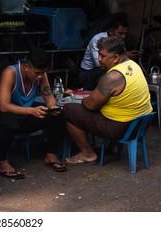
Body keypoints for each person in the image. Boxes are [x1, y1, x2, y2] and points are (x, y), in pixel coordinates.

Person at [63, 36, 152, 165]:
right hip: (139, 124)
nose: (99, 59)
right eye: (99, 54)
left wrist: (83, 99)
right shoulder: (133, 65)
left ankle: (87, 153)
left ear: (116, 58)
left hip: (121, 127)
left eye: (102, 56)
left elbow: (90, 105)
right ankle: (113, 147)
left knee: (69, 110)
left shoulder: (112, 77)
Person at [0, 47, 67, 179]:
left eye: (42, 73)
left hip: (22, 117)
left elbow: (49, 96)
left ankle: (51, 155)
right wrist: (32, 111)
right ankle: (2, 162)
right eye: (37, 73)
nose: (39, 76)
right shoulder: (10, 73)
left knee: (59, 115)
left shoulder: (41, 74)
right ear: (26, 66)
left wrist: (52, 107)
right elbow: (4, 107)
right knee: (9, 118)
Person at [79, 16, 142, 91]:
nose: (123, 36)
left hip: (104, 69)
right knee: (109, 71)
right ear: (111, 31)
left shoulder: (118, 41)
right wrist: (124, 56)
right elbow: (99, 63)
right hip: (88, 73)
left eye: (125, 33)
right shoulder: (97, 39)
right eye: (120, 33)